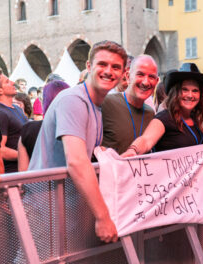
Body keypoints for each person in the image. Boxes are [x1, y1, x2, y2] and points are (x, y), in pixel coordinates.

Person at [28, 40, 128, 243]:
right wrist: (103, 216)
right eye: (102, 64)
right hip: (44, 209)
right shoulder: (74, 100)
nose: (108, 71)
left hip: (61, 207)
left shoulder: (96, 105)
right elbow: (76, 161)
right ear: (89, 67)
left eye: (115, 67)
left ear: (123, 73)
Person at [121, 64, 203, 157]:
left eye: (195, 91)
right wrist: (133, 150)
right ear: (176, 93)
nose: (190, 95)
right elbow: (146, 140)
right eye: (184, 90)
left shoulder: (195, 118)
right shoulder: (165, 118)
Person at [101, 54, 159, 154]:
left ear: (157, 81)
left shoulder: (150, 114)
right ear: (128, 76)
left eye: (151, 77)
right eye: (140, 74)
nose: (145, 82)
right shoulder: (105, 103)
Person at [18, 80, 70, 171]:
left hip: (36, 184)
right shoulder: (75, 130)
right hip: (71, 183)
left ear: (45, 101)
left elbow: (22, 174)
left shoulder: (28, 129)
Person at [0, 69, 28, 173]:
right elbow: (1, 150)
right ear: (0, 90)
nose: (12, 83)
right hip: (13, 175)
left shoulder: (18, 108)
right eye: (7, 82)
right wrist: (25, 155)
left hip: (26, 171)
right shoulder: (1, 113)